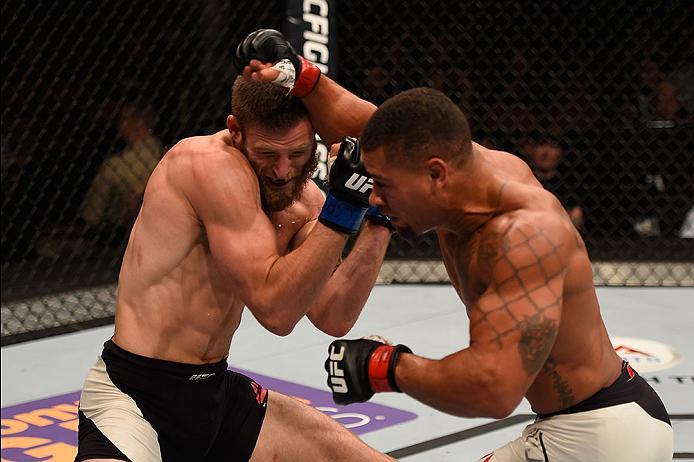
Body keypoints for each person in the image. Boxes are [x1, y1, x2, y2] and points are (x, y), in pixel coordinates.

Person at [238, 29, 673, 461]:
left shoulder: (521, 237)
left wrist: (385, 367)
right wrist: (301, 76)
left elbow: (493, 388)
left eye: (385, 186)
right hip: (589, 422)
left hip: (599, 438)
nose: (376, 200)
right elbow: (369, 126)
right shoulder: (466, 174)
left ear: (435, 174)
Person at [75, 33, 396, 461]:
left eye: (298, 154)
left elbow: (334, 314)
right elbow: (276, 311)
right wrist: (342, 210)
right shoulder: (206, 166)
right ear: (236, 132)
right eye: (268, 154)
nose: (283, 171)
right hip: (134, 400)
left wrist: (377, 215)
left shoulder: (305, 200)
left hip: (214, 396)